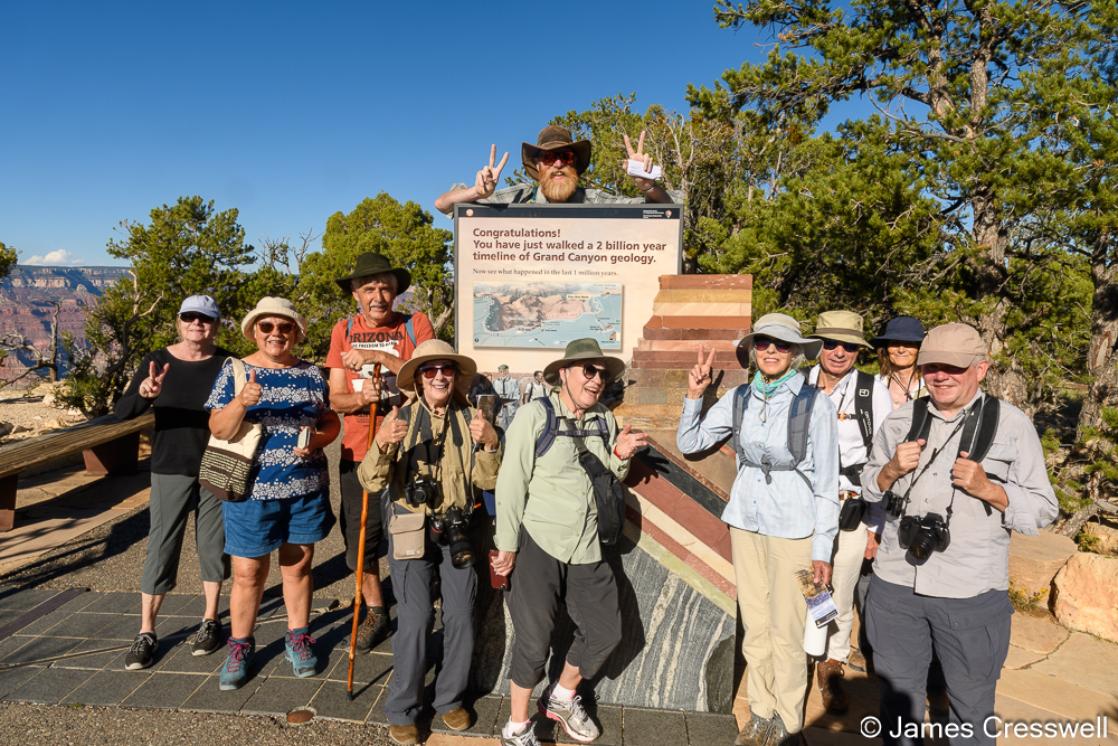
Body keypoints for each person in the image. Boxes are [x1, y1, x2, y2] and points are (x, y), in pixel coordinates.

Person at [860, 323, 1057, 746]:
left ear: (981, 369)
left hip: (969, 592)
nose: (941, 376)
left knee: (970, 708)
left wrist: (991, 490)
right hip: (896, 584)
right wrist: (891, 470)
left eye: (954, 367)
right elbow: (868, 487)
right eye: (932, 366)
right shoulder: (900, 421)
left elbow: (1043, 508)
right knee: (897, 704)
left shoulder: (1010, 425)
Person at [677, 313, 839, 746]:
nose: (770, 350)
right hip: (746, 521)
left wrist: (822, 549)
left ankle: (788, 722)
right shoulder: (740, 397)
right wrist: (695, 397)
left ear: (795, 353)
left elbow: (827, 483)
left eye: (781, 345)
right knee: (756, 622)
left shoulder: (814, 403)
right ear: (752, 349)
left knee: (788, 630)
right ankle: (761, 711)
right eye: (763, 342)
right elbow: (690, 443)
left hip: (795, 526)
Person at [493, 339, 648, 746]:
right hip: (538, 542)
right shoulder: (533, 415)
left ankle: (561, 696)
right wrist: (506, 546)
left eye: (602, 373)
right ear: (564, 373)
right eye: (588, 371)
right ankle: (517, 726)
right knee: (534, 639)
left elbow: (607, 473)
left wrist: (620, 454)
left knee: (605, 630)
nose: (597, 380)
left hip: (588, 544)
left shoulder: (603, 419)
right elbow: (511, 484)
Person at [357, 340, 501, 746]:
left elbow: (489, 482)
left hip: (458, 531)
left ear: (455, 377)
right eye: (430, 370)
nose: (439, 376)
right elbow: (369, 481)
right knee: (417, 619)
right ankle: (403, 708)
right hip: (411, 530)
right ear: (418, 378)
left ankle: (450, 699)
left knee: (460, 615)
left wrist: (490, 444)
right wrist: (384, 442)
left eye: (446, 369)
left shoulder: (472, 419)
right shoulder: (400, 418)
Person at [205, 297, 340, 690]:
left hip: (305, 487)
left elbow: (330, 422)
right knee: (248, 573)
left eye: (285, 327)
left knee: (297, 566)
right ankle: (240, 645)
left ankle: (298, 637)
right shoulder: (236, 371)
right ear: (254, 331)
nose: (276, 334)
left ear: (296, 332)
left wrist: (317, 440)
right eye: (267, 327)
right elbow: (219, 428)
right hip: (250, 490)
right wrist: (240, 402)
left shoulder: (313, 374)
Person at [325, 252, 435, 652]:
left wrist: (380, 357)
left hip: (412, 448)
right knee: (361, 539)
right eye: (369, 288)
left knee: (415, 531)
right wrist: (359, 401)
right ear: (355, 294)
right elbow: (336, 398)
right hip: (359, 451)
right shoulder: (343, 330)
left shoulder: (414, 324)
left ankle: (416, 601)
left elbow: (428, 375)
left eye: (385, 287)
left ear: (396, 292)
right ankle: (375, 608)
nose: (378, 295)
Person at [115, 295, 232, 670]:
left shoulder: (228, 364)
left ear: (215, 324)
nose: (197, 324)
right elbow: (123, 411)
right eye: (189, 317)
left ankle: (211, 620)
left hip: (216, 464)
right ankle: (147, 630)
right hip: (170, 465)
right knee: (162, 544)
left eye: (205, 318)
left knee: (213, 544)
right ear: (178, 322)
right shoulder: (157, 360)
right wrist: (146, 394)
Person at [805, 310, 892, 714]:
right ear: (818, 346)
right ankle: (806, 650)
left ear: (859, 351)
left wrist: (876, 524)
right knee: (805, 581)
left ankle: (831, 661)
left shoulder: (871, 392)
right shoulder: (799, 382)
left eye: (848, 345)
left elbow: (885, 460)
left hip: (850, 502)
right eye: (830, 343)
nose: (838, 352)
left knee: (840, 585)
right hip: (801, 500)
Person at [435, 125, 676, 214]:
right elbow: (443, 204)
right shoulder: (515, 200)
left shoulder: (597, 202)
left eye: (565, 156)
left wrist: (648, 185)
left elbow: (666, 212)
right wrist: (476, 193)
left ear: (574, 164)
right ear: (538, 165)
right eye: (549, 157)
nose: (558, 164)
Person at [872, 316, 927, 410]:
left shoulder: (931, 386)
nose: (901, 350)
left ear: (919, 348)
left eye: (909, 344)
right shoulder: (874, 385)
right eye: (895, 343)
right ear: (886, 348)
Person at [492, 364, 520, 431]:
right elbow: (493, 396)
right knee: (501, 429)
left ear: (507, 371)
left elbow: (517, 396)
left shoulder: (514, 382)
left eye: (504, 371)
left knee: (512, 429)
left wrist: (507, 403)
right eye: (501, 371)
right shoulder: (495, 382)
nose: (503, 373)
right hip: (500, 410)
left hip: (510, 410)